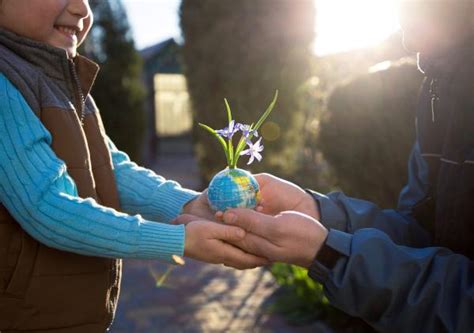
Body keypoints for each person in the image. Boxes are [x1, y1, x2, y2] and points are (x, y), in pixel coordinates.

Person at [178, 0, 474, 332]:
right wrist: (318, 211)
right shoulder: (440, 91)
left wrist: (329, 254)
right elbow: (420, 234)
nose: (407, 41)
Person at [0, 0, 267, 332]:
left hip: (71, 313)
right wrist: (178, 240)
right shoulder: (5, 85)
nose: (82, 10)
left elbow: (112, 170)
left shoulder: (65, 84)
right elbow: (47, 206)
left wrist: (190, 204)